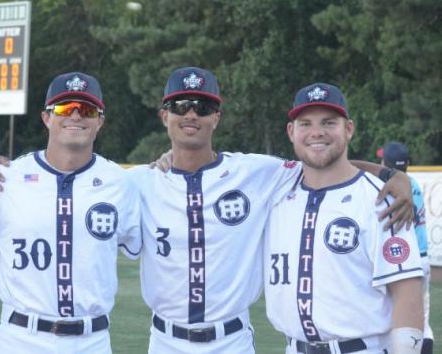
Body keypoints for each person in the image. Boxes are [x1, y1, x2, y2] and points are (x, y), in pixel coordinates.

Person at [129, 69, 414, 354]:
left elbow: (321, 160)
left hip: (231, 341)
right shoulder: (141, 182)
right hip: (165, 341)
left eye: (202, 107)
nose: (191, 114)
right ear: (165, 116)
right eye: (180, 106)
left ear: (216, 117)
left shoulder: (255, 172)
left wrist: (392, 175)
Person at [0, 72, 142, 353]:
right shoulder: (8, 177)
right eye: (63, 108)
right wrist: (11, 262)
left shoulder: (122, 183)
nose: (75, 116)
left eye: (86, 110)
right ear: (46, 117)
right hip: (21, 337)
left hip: (92, 339)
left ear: (100, 121)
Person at [264, 83, 424, 353]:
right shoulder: (274, 189)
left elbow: (406, 292)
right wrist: (168, 159)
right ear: (291, 132)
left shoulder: (382, 199)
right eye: (305, 124)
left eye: (328, 123)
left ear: (348, 129)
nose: (317, 132)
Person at [382, 141, 434, 354]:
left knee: (396, 320)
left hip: (403, 260)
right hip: (422, 257)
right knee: (422, 321)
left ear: (384, 163)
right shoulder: (411, 183)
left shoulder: (390, 188)